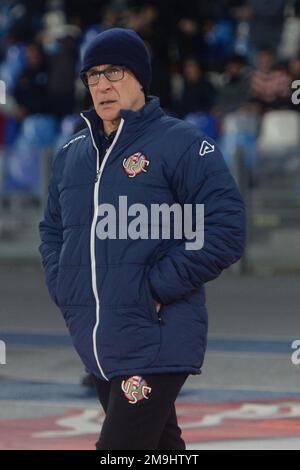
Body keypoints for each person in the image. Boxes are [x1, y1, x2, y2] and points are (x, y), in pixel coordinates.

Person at [39, 27, 246, 450]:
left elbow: (226, 228)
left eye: (113, 72)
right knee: (160, 450)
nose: (102, 85)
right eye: (92, 76)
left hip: (156, 335)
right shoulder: (72, 154)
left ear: (139, 78)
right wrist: (65, 287)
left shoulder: (182, 144)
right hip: (100, 337)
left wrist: (155, 287)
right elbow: (53, 231)